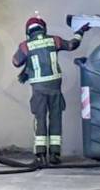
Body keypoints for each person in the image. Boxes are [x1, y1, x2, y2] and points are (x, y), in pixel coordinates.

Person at [11, 16, 89, 164]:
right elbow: (72, 45)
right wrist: (80, 32)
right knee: (56, 119)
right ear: (43, 28)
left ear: (28, 31)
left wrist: (27, 65)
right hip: (55, 87)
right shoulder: (54, 40)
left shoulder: (25, 46)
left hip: (39, 89)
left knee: (40, 119)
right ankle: (54, 155)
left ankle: (40, 155)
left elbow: (15, 62)